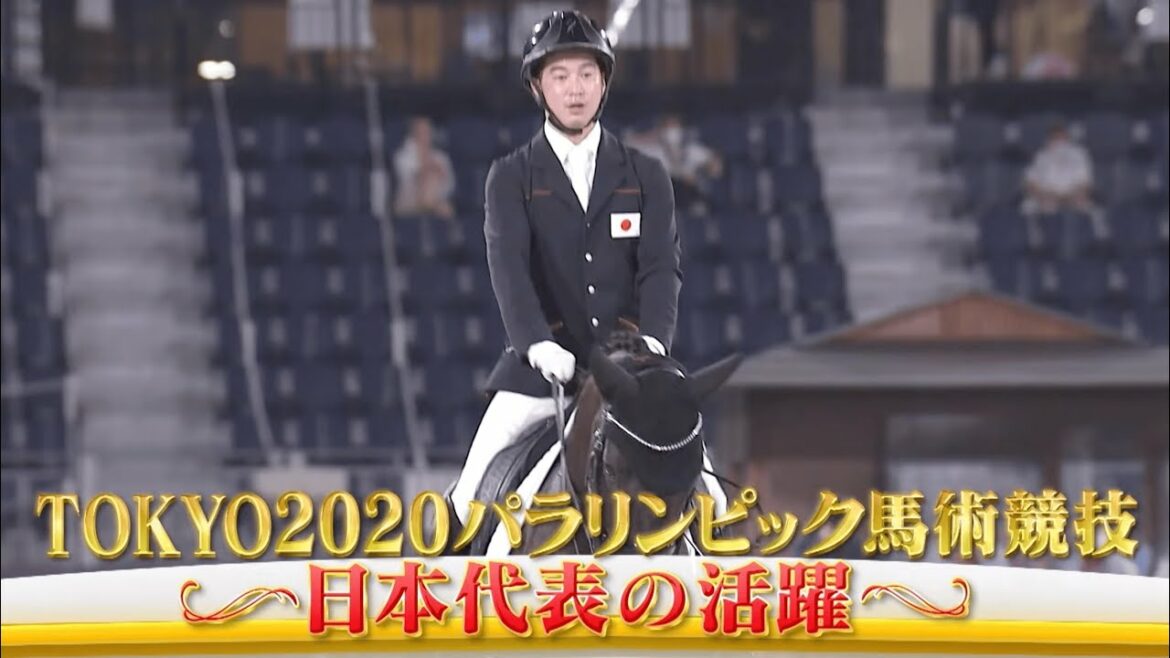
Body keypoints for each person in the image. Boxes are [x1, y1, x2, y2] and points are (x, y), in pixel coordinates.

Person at [447, 9, 727, 529]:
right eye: (560, 76)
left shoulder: (647, 174)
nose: (574, 89)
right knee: (463, 507)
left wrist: (653, 341)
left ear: (604, 83)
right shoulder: (510, 177)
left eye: (586, 74)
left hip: (633, 375)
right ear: (538, 86)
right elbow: (509, 271)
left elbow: (660, 268)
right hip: (541, 375)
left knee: (718, 508)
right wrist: (537, 345)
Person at [629, 114, 723, 214]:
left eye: (675, 125)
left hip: (686, 188)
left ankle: (695, 207)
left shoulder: (691, 148)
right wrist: (646, 137)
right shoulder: (651, 149)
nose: (672, 131)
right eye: (668, 126)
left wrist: (699, 173)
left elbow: (716, 168)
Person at [1022, 120, 1096, 215]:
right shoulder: (1041, 156)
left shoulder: (1079, 154)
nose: (1059, 141)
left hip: (1073, 196)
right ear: (1048, 140)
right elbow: (1030, 183)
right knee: (1028, 207)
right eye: (1055, 138)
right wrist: (1042, 196)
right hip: (1046, 196)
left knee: (1085, 205)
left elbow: (1085, 183)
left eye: (1062, 138)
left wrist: (1071, 197)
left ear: (1068, 138)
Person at [392, 117, 455, 220]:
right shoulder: (402, 157)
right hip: (409, 201)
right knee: (429, 178)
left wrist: (439, 175)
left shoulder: (441, 157)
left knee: (447, 209)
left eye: (427, 131)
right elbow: (406, 182)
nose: (424, 135)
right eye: (420, 131)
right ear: (413, 134)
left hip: (435, 200)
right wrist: (426, 171)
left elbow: (449, 186)